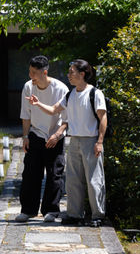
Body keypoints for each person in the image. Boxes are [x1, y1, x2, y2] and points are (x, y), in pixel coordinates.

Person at [27, 59, 107, 227]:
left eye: (72, 72)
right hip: (74, 139)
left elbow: (103, 118)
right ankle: (74, 214)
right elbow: (54, 110)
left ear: (82, 74)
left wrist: (99, 141)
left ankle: (97, 215)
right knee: (73, 179)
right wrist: (37, 103)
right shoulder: (70, 94)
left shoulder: (95, 93)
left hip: (91, 140)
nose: (69, 75)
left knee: (94, 180)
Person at [15, 55, 69, 223]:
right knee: (30, 173)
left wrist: (57, 134)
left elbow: (67, 119)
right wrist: (25, 136)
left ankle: (51, 210)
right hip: (36, 133)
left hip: (55, 135)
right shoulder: (28, 87)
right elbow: (26, 114)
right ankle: (28, 210)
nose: (31, 76)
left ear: (44, 72)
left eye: (34, 73)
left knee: (54, 174)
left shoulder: (61, 89)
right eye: (29, 72)